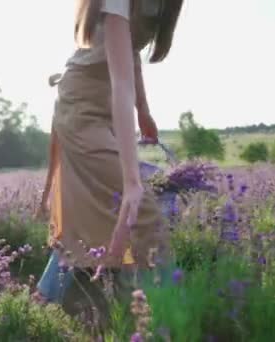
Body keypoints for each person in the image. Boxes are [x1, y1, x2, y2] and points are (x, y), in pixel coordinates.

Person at [35, 0, 185, 305]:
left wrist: (143, 111)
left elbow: (129, 55)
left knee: (88, 216)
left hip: (107, 111)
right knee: (142, 208)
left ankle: (42, 302)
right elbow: (121, 83)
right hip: (80, 109)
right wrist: (131, 180)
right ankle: (167, 313)